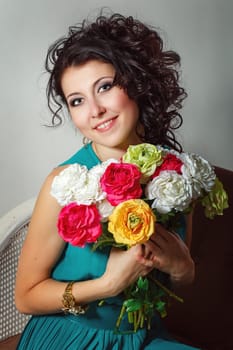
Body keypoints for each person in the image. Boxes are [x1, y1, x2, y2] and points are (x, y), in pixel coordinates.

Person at [15, 13, 197, 349]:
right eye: (77, 101)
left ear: (137, 82)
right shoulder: (64, 183)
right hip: (70, 337)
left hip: (144, 337)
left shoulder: (177, 175)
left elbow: (179, 282)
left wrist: (182, 266)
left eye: (105, 87)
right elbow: (25, 297)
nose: (95, 110)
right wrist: (107, 284)